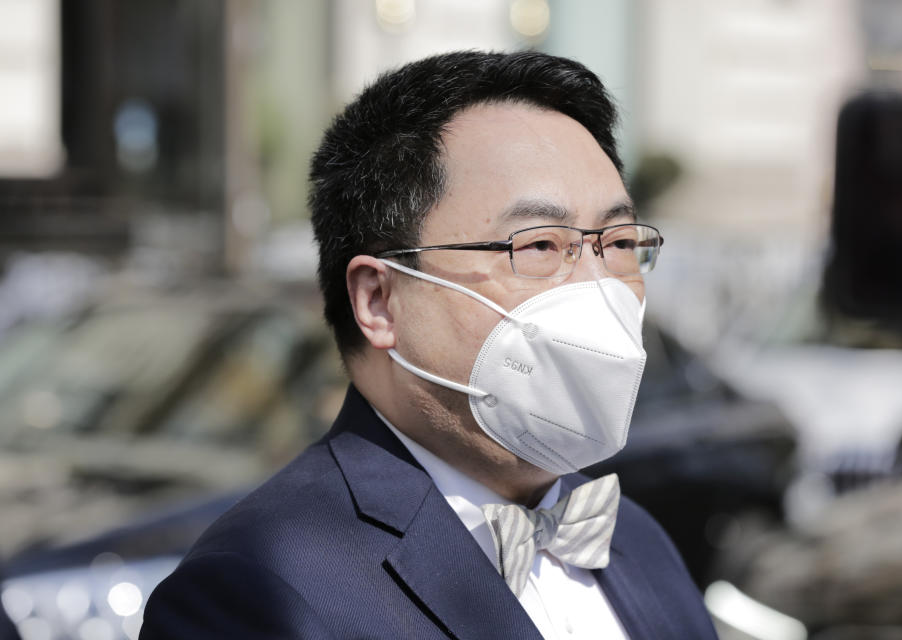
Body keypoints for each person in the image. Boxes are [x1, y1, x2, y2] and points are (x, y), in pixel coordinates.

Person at [140, 50, 717, 639]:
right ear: (378, 301)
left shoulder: (635, 541)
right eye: (540, 246)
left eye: (619, 241)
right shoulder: (259, 586)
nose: (599, 288)